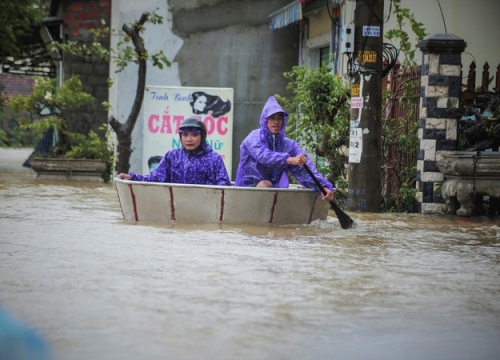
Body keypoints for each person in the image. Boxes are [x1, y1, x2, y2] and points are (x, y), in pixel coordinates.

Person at [234, 96, 334, 201]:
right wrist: (289, 159)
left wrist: (323, 186)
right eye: (272, 118)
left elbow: (305, 169)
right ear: (265, 120)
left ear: (283, 121)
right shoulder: (253, 137)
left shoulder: (289, 145)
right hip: (246, 191)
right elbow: (263, 156)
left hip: (275, 196)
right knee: (265, 184)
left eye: (279, 118)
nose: (276, 122)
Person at [117, 117, 231, 185]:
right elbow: (155, 178)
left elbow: (223, 186)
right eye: (185, 135)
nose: (189, 139)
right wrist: (133, 178)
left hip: (205, 210)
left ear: (202, 137)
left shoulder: (214, 158)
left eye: (194, 135)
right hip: (176, 206)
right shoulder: (172, 156)